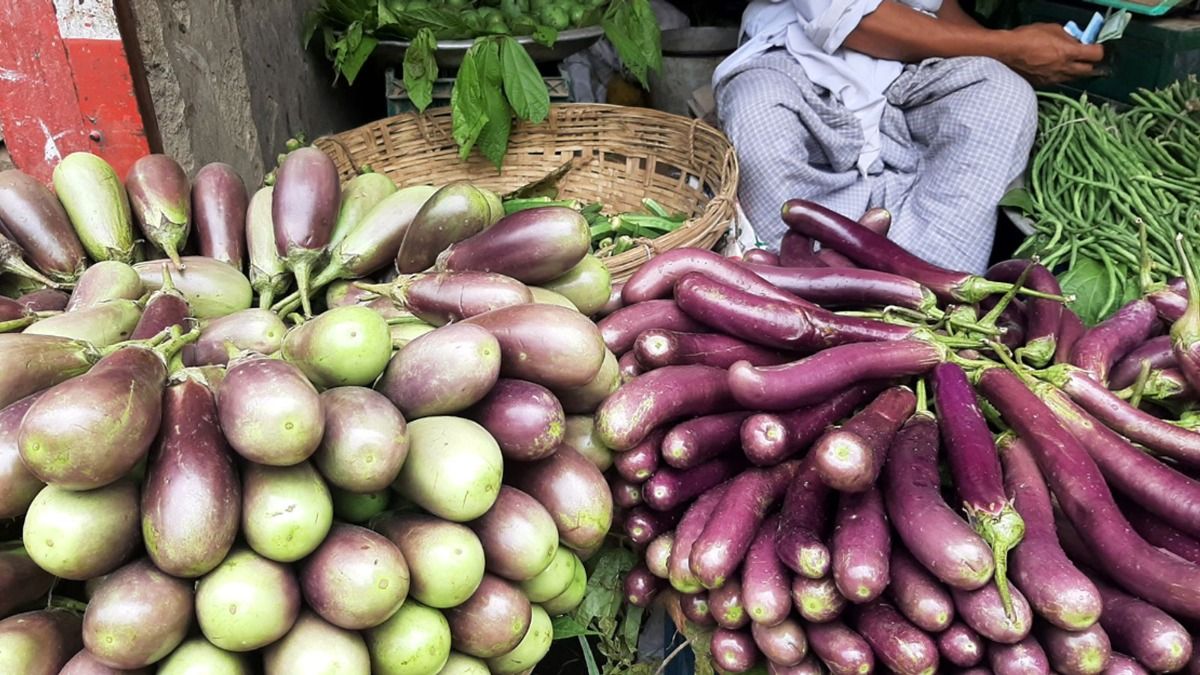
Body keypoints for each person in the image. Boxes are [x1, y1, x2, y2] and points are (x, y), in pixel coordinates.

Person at [713, 0, 1104, 273]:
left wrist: (1019, 51)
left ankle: (928, 285)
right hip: (794, 60)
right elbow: (848, 19)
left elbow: (936, 8)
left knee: (1002, 93)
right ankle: (809, 284)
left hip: (906, 70)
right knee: (758, 108)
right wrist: (1012, 47)